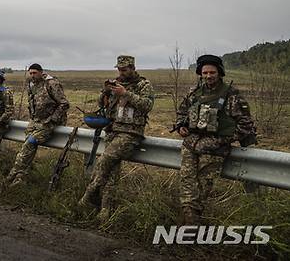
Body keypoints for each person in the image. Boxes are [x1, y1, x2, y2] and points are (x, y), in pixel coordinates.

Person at [174, 54, 256, 225]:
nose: (208, 76)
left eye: (212, 72)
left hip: (214, 149)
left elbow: (246, 125)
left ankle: (189, 229)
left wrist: (224, 139)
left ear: (219, 72)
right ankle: (188, 228)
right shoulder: (194, 92)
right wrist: (182, 126)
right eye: (205, 73)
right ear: (200, 73)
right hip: (190, 145)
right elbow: (182, 113)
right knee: (187, 187)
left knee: (202, 190)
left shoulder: (232, 95)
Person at [79, 55, 154, 220]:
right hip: (112, 131)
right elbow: (102, 104)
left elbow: (147, 106)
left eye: (124, 69)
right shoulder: (115, 83)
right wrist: (105, 92)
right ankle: (105, 210)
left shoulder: (143, 85)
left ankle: (87, 195)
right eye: (119, 69)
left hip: (130, 133)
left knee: (105, 161)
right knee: (111, 172)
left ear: (133, 68)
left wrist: (126, 94)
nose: (121, 72)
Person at [6, 63, 69, 187]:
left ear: (41, 72)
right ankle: (21, 177)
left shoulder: (51, 84)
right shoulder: (31, 84)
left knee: (30, 142)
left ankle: (13, 174)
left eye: (35, 73)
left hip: (48, 123)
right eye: (30, 73)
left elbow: (64, 104)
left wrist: (53, 120)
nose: (32, 75)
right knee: (27, 147)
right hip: (35, 121)